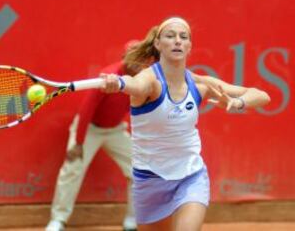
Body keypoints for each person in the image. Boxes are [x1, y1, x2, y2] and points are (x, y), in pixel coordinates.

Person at [101, 17, 271, 231]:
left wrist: (237, 102)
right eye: (170, 36)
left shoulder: (200, 84)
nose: (177, 41)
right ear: (158, 44)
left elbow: (261, 95)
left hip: (190, 176)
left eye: (183, 37)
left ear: (190, 47)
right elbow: (136, 85)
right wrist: (118, 83)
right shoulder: (149, 80)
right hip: (149, 180)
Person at [45, 41, 152, 231]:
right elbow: (87, 110)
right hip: (89, 129)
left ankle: (132, 221)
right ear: (123, 58)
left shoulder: (144, 80)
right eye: (133, 58)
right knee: (72, 168)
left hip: (115, 131)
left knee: (140, 170)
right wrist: (78, 142)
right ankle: (58, 220)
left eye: (142, 59)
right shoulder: (109, 76)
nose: (137, 63)